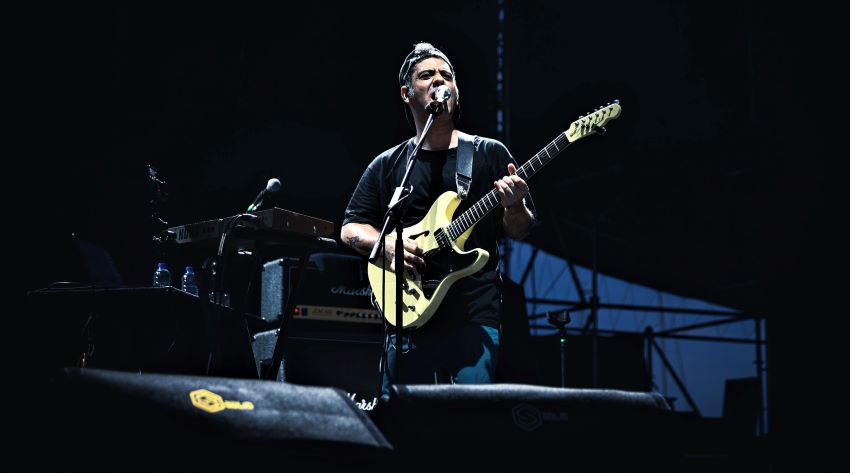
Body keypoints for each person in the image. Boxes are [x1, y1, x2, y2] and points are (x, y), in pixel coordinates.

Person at [340, 42, 535, 398]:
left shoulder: (488, 153)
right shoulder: (390, 164)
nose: (439, 80)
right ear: (406, 93)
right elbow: (351, 227)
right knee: (400, 419)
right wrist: (385, 245)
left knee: (470, 417)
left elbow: (519, 229)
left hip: (473, 317)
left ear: (456, 91)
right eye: (427, 75)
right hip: (407, 312)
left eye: (447, 75)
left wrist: (514, 206)